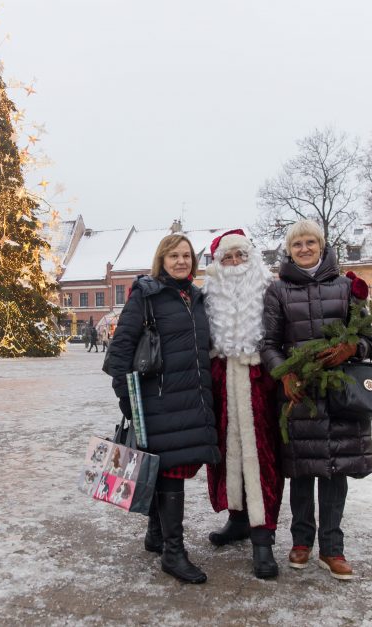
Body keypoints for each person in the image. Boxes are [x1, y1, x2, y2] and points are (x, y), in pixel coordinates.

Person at [261, 219, 372, 581]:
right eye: (298, 245)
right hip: (301, 395)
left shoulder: (346, 288)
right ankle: (301, 541)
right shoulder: (278, 292)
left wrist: (351, 347)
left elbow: (370, 340)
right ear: (290, 250)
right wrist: (285, 374)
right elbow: (268, 344)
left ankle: (332, 548)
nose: (305, 249)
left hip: (341, 394)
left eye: (311, 242)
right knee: (301, 470)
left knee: (335, 470)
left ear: (323, 245)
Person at [106, 233, 220, 585]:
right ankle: (174, 553)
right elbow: (121, 349)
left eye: (186, 255)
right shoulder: (147, 295)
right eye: (174, 256)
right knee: (170, 471)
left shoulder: (196, 297)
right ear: (162, 260)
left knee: (163, 468)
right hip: (158, 401)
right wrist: (128, 398)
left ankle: (156, 534)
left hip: (191, 399)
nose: (181, 261)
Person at [202, 229, 284, 579]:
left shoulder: (270, 292)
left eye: (241, 256)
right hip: (221, 379)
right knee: (224, 453)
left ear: (252, 261)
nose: (235, 263)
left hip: (260, 381)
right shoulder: (207, 296)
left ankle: (263, 538)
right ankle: (237, 519)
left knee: (263, 459)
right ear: (218, 265)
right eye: (228, 258)